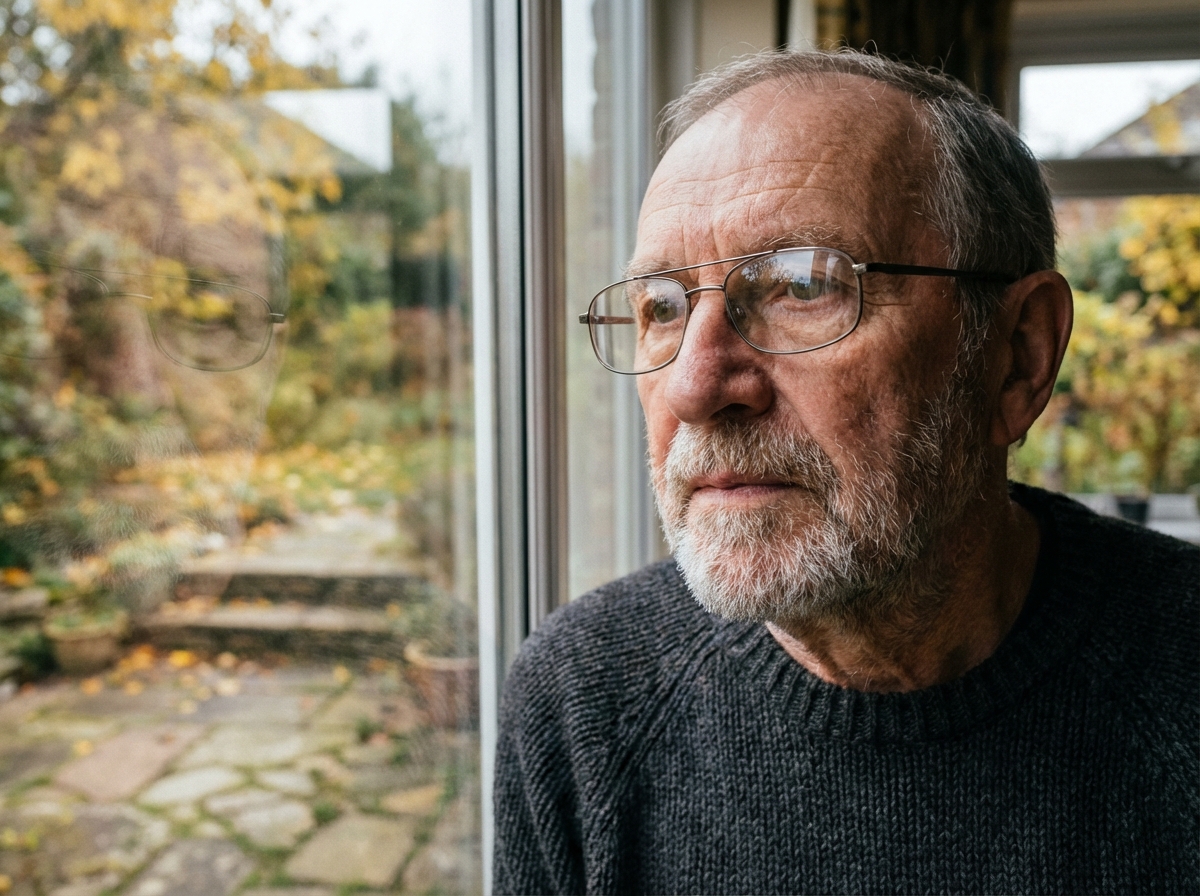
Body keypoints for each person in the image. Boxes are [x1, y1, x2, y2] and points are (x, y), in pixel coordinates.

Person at [494, 50, 1199, 894]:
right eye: (662, 307)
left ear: (1017, 355)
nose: (694, 386)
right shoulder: (584, 695)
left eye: (802, 286)